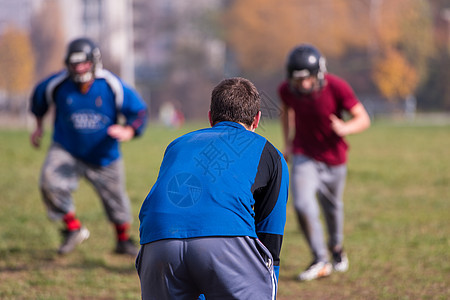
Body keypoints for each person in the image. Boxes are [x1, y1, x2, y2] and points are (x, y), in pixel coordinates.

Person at [136, 77, 289, 299]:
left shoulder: (177, 144)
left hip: (157, 241)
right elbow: (270, 235)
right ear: (256, 120)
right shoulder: (269, 153)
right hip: (223, 240)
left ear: (210, 117)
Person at [29, 37, 148, 256]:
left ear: (94, 62)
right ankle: (73, 229)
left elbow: (139, 111)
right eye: (74, 64)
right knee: (49, 182)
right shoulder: (57, 84)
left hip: (104, 154)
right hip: (67, 149)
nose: (79, 68)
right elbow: (38, 101)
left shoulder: (111, 84)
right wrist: (38, 127)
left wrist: (129, 130)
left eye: (83, 63)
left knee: (117, 201)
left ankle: (123, 241)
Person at [278, 44, 371, 281]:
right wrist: (288, 142)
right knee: (301, 203)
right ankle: (320, 259)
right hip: (304, 154)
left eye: (307, 79)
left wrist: (344, 127)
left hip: (334, 157)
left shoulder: (337, 87)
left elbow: (363, 118)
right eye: (297, 80)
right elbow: (286, 111)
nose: (302, 85)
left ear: (318, 74)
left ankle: (336, 249)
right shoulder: (286, 90)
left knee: (332, 208)